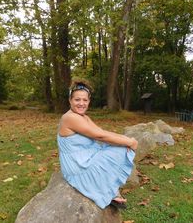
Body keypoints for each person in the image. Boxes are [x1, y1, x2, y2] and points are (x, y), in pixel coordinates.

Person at [57, 79, 138, 209]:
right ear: (70, 100)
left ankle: (109, 187)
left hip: (87, 156)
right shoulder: (69, 118)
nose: (81, 103)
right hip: (77, 164)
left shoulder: (83, 117)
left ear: (89, 101)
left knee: (120, 147)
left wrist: (126, 139)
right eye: (77, 100)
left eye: (85, 100)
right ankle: (107, 191)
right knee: (120, 150)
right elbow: (100, 136)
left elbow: (100, 131)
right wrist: (130, 142)